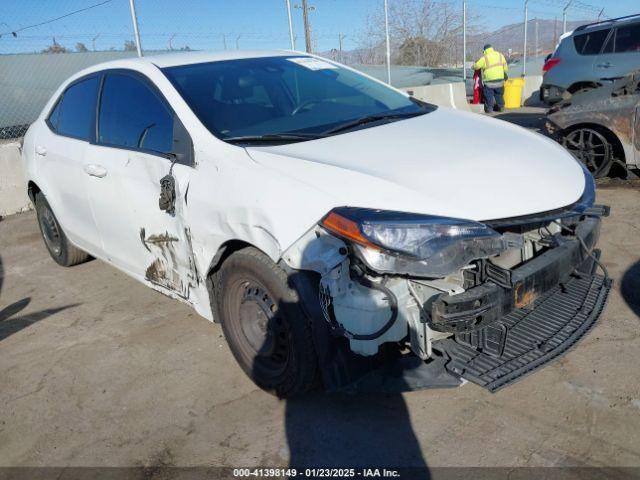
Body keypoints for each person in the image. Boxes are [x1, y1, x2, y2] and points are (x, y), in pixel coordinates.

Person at [473, 44, 508, 113]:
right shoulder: (500, 55)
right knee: (499, 95)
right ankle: (501, 107)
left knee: (489, 95)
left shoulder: (484, 58)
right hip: (500, 81)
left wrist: (473, 67)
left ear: (485, 51)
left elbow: (477, 66)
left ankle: (489, 108)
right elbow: (505, 68)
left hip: (489, 82)